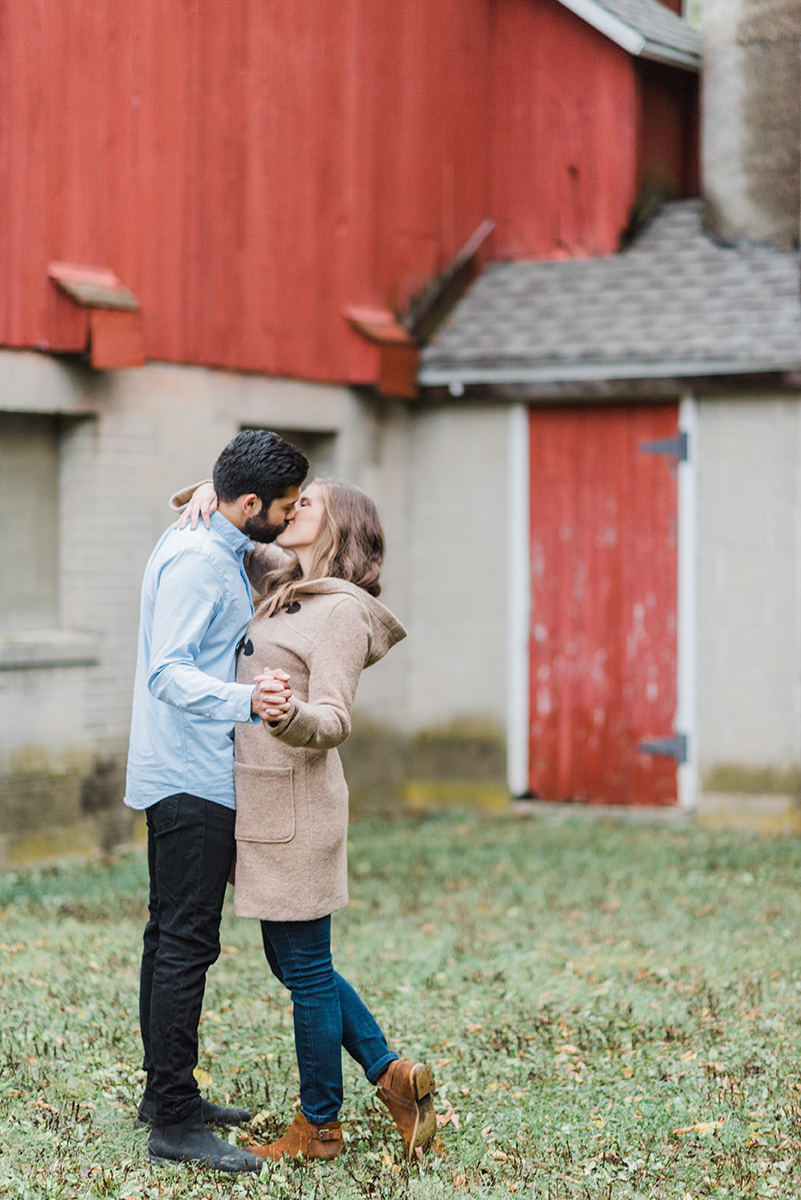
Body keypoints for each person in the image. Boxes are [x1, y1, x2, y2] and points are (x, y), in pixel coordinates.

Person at [175, 475, 436, 1164]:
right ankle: (391, 1075)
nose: (292, 508)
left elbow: (335, 717)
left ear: (336, 528)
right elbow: (233, 515)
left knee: (306, 970)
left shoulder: (340, 613)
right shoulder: (286, 581)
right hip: (264, 808)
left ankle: (319, 1125)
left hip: (296, 809)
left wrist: (287, 717)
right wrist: (211, 486)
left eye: (307, 503)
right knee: (295, 963)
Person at [124, 430, 308, 1174]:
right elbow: (168, 672)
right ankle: (173, 1123)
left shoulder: (205, 534)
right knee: (185, 948)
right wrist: (248, 699)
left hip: (178, 769)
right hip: (192, 777)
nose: (292, 518)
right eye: (286, 507)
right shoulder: (201, 560)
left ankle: (163, 1098)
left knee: (165, 937)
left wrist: (201, 494)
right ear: (251, 503)